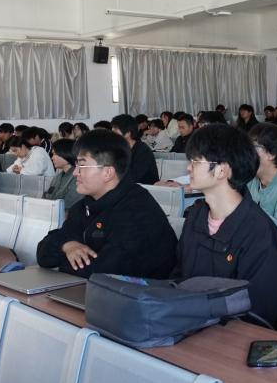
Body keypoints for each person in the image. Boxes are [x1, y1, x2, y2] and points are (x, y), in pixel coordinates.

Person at [172, 124, 277, 331]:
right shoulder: (196, 216)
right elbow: (178, 276)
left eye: (196, 161)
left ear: (222, 170)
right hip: (189, 325)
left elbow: (259, 312)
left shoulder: (260, 234)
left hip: (237, 336)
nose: (189, 168)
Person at [37, 130, 177, 279]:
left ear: (108, 173)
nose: (75, 173)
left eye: (82, 166)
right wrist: (68, 245)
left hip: (141, 291)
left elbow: (103, 272)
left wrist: (62, 260)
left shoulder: (138, 212)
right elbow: (43, 254)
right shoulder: (84, 206)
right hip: (92, 288)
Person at [110, 114, 159, 185]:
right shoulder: (119, 149)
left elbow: (134, 176)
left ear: (128, 133)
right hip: (126, 186)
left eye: (115, 133)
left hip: (145, 188)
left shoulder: (143, 150)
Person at [44, 138, 82, 212]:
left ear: (65, 153)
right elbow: (47, 196)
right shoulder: (57, 177)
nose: (52, 158)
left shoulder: (77, 178)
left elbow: (69, 204)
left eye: (55, 154)